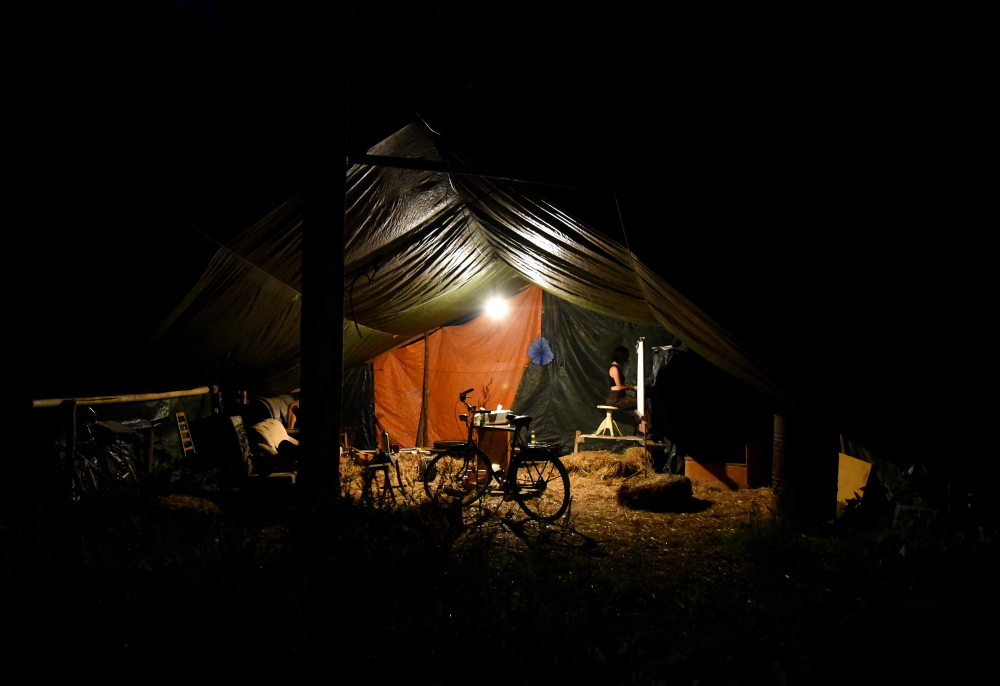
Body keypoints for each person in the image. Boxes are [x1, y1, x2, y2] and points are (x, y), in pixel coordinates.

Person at [605, 345, 646, 432]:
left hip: (618, 397)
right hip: (616, 399)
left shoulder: (615, 367)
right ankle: (643, 430)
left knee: (636, 411)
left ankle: (640, 431)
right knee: (641, 403)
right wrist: (633, 387)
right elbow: (619, 386)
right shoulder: (614, 368)